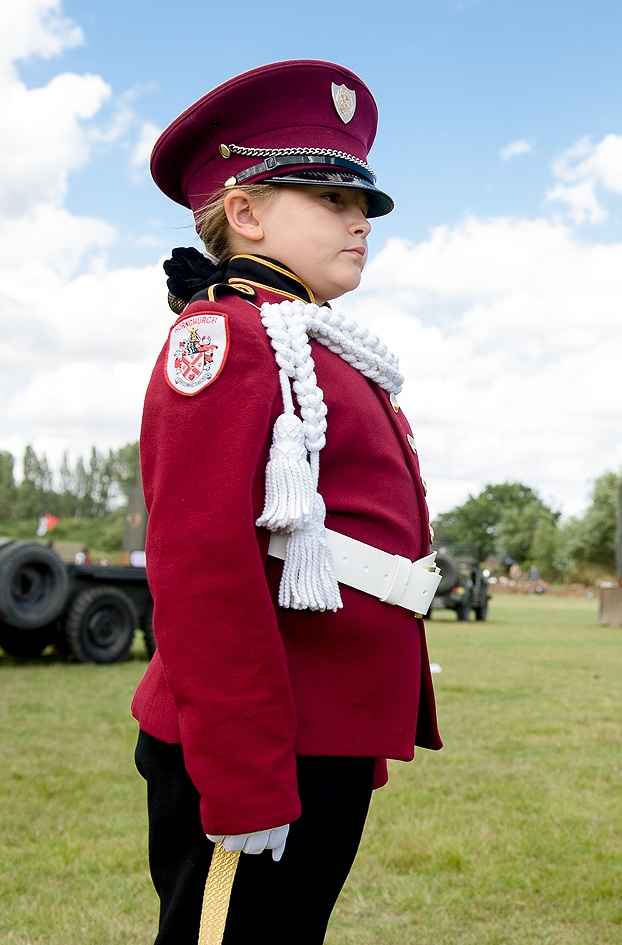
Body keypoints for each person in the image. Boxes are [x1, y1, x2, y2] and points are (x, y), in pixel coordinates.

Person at [132, 60, 442, 945]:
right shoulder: (226, 340)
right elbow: (203, 570)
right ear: (246, 211)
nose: (360, 221)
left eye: (364, 206)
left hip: (323, 731)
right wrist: (244, 775)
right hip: (263, 744)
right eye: (329, 198)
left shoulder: (315, 344)